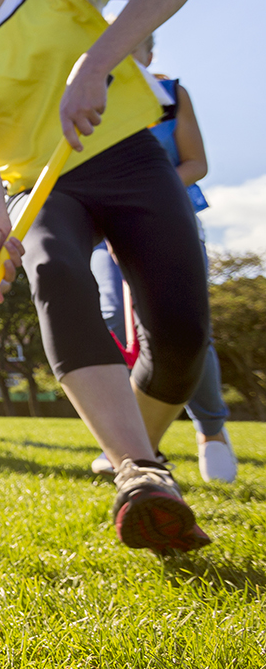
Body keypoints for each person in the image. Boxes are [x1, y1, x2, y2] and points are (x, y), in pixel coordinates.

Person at [0, 0, 212, 552]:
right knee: (55, 272)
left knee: (183, 337)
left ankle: (136, 451)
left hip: (130, 160)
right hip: (39, 189)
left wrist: (99, 59)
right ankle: (140, 472)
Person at [86, 34, 236, 483]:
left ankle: (210, 430)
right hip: (105, 233)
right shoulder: (90, 98)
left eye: (137, 45)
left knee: (182, 326)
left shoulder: (171, 96)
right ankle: (135, 441)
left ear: (150, 53)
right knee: (114, 318)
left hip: (170, 222)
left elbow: (196, 162)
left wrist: (144, 198)